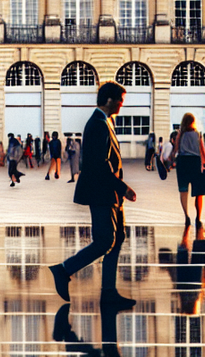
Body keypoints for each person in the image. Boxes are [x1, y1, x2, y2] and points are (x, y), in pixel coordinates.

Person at [46, 82, 137, 308]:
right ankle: (64, 269)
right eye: (120, 100)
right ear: (108, 100)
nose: (122, 104)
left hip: (109, 192)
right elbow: (99, 163)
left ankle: (109, 292)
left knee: (117, 239)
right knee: (105, 240)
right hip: (101, 191)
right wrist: (122, 186)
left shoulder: (106, 121)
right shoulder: (97, 124)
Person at [171, 112, 205, 226]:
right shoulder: (198, 134)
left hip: (183, 162)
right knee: (198, 192)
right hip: (195, 162)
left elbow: (176, 150)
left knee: (183, 191)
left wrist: (171, 160)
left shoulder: (180, 134)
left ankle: (186, 216)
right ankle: (198, 217)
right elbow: (203, 151)